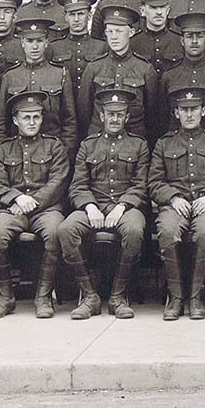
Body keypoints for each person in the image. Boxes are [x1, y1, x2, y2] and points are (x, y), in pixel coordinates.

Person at [59, 87, 149, 320]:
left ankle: (118, 297)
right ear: (102, 116)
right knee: (67, 229)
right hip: (94, 205)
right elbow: (77, 185)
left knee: (134, 230)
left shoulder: (139, 145)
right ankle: (90, 296)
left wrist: (122, 206)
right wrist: (90, 207)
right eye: (111, 114)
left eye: (120, 114)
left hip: (126, 207)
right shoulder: (88, 145)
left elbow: (140, 185)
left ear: (127, 117)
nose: (115, 119)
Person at [0, 92, 70, 320]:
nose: (32, 122)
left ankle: (43, 297)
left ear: (42, 119)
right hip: (13, 208)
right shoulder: (4, 149)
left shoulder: (54, 147)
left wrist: (30, 202)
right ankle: (5, 297)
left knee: (55, 233)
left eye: (36, 117)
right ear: (15, 120)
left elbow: (58, 182)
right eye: (26, 118)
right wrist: (15, 198)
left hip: (46, 208)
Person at [150, 86, 205, 320]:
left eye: (194, 109)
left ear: (203, 111)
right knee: (167, 231)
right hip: (176, 205)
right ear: (176, 114)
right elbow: (154, 182)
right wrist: (173, 197)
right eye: (184, 110)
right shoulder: (164, 144)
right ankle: (176, 298)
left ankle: (195, 298)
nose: (189, 114)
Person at [0, 18, 77, 154]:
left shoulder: (60, 74)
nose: (35, 47)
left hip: (52, 152)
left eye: (39, 41)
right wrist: (3, 154)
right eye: (30, 41)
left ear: (46, 42)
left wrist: (64, 153)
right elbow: (0, 122)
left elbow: (69, 121)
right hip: (17, 153)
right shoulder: (11, 76)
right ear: (22, 43)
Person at [77, 5, 159, 142]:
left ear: (131, 32)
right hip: (98, 141)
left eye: (119, 31)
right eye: (109, 32)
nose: (114, 37)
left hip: (134, 142)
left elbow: (153, 114)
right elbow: (84, 111)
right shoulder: (94, 67)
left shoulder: (145, 69)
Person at [160, 11, 205, 137]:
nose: (195, 41)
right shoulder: (169, 76)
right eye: (189, 36)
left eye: (199, 36)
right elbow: (162, 117)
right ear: (182, 40)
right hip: (176, 146)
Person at [50, 0, 107, 95]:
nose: (76, 19)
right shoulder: (54, 47)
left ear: (89, 16)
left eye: (81, 14)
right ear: (66, 17)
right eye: (72, 14)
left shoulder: (102, 47)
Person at [131, 0, 184, 77]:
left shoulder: (179, 41)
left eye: (162, 7)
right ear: (142, 10)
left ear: (168, 10)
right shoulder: (133, 43)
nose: (159, 12)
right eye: (153, 7)